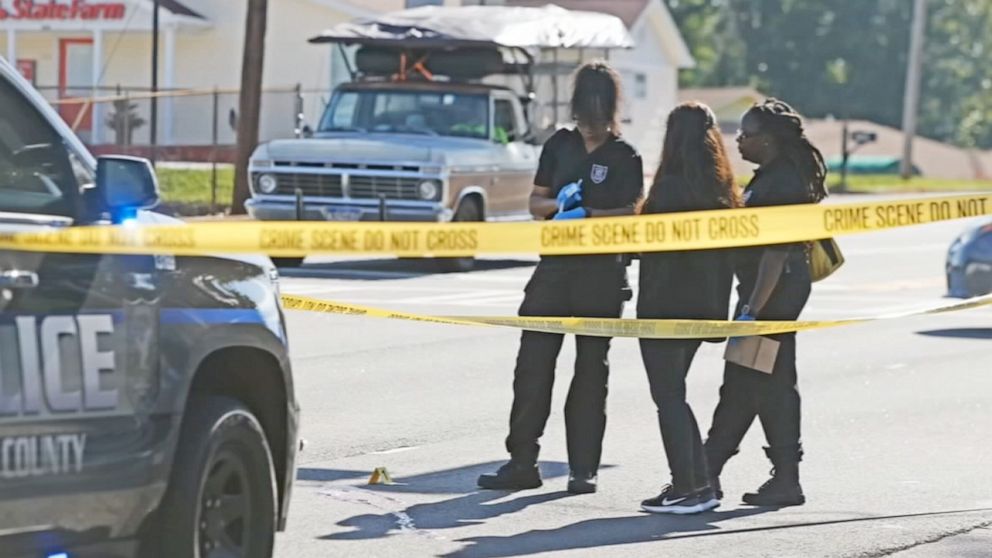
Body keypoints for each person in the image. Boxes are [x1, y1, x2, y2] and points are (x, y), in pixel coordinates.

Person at [477, 61, 643, 494]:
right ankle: (522, 462)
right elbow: (535, 202)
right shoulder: (559, 145)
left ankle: (582, 468)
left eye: (597, 108)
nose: (589, 119)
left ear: (610, 108)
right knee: (532, 366)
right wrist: (556, 207)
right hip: (554, 268)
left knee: (591, 371)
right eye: (583, 109)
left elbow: (633, 213)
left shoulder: (625, 156)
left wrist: (591, 213)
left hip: (603, 274)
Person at [704, 98, 828, 507]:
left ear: (770, 140)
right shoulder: (770, 177)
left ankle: (709, 471)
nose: (738, 140)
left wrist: (751, 310)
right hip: (768, 291)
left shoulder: (782, 184)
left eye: (747, 134)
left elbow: (775, 254)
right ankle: (727, 471)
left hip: (773, 293)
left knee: (752, 382)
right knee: (760, 382)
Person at [636, 102, 741, 514]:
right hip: (706, 305)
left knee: (668, 396)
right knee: (673, 394)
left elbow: (648, 245)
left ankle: (690, 487)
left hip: (665, 306)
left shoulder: (670, 189)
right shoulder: (720, 191)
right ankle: (700, 483)